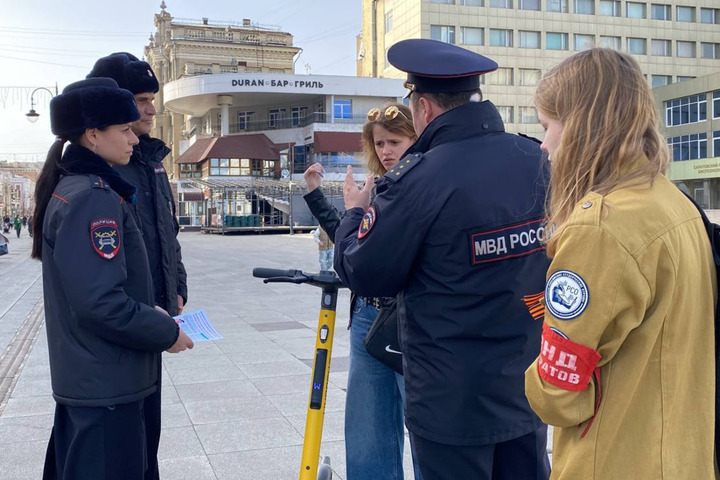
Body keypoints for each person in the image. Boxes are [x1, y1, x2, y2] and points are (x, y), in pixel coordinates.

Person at [333, 39, 551, 480]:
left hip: (452, 403)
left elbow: (364, 270)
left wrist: (355, 212)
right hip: (528, 386)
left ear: (425, 109)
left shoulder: (419, 178)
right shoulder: (536, 159)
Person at [524, 48, 718, 480]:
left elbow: (558, 393)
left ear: (579, 128)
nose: (545, 145)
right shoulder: (675, 203)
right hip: (683, 456)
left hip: (614, 460)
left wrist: (534, 373)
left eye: (548, 127)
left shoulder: (600, 227)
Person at [31, 78, 194, 480]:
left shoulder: (82, 188)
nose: (134, 139)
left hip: (96, 380)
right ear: (92, 136)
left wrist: (153, 306)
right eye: (123, 130)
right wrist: (163, 330)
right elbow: (100, 302)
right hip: (106, 385)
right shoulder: (92, 196)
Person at [303, 102, 421, 480]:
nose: (386, 151)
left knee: (420, 430)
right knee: (367, 430)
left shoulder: (422, 185)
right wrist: (319, 196)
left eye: (395, 141)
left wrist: (356, 210)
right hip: (369, 315)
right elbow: (350, 245)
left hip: (406, 318)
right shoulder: (381, 186)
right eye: (380, 143)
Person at [87, 52, 188, 479]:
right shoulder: (108, 169)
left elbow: (169, 233)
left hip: (153, 321)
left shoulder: (150, 163)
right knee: (120, 449)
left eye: (152, 99)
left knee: (147, 438)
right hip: (124, 329)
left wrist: (176, 285)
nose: (150, 110)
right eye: (140, 100)